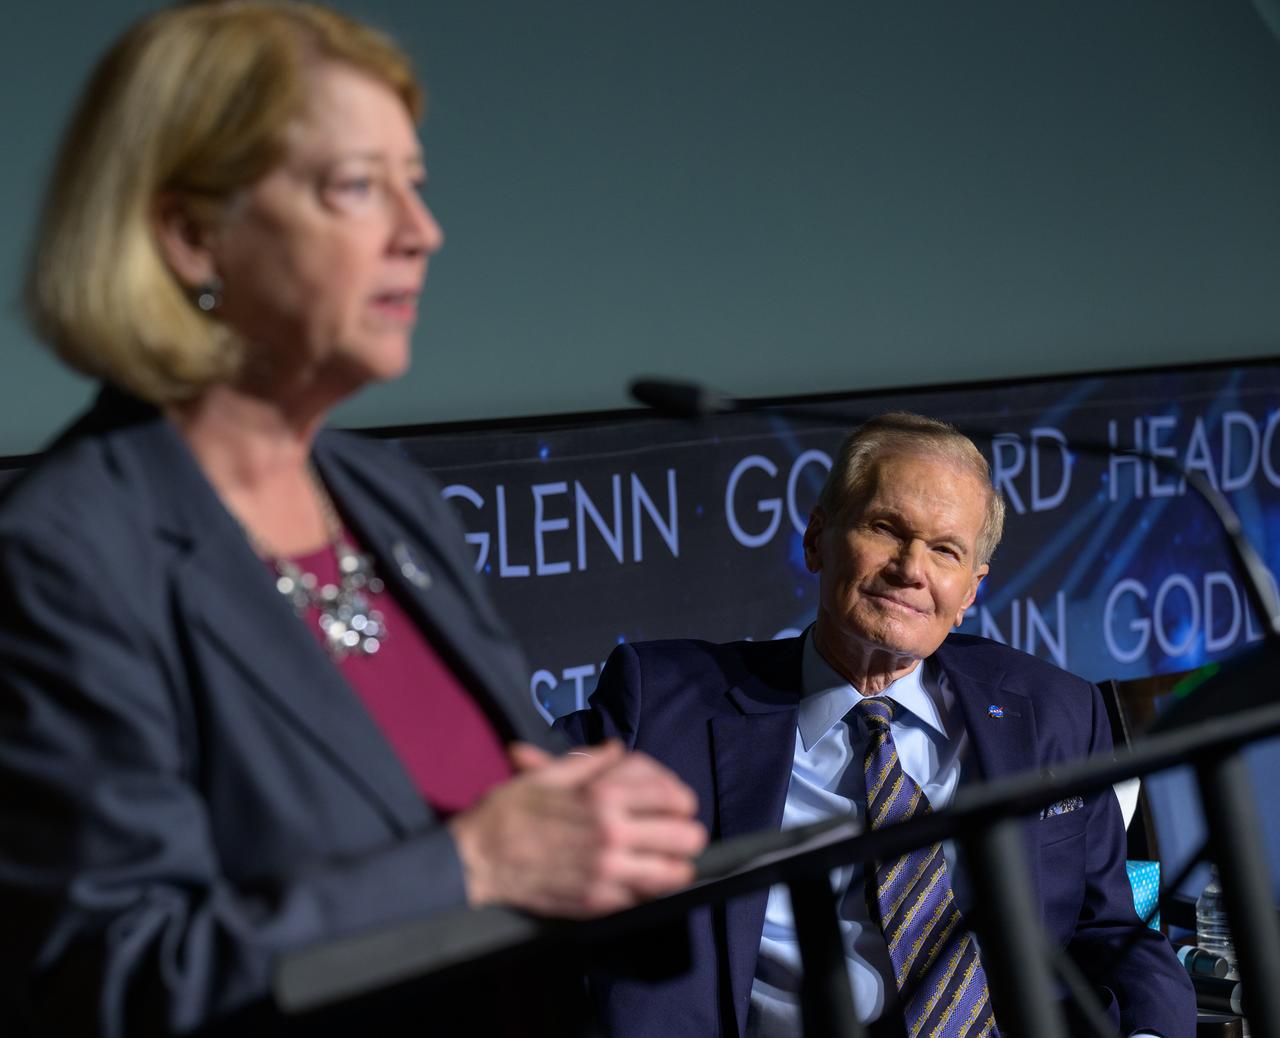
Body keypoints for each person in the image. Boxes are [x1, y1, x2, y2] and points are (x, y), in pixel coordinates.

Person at [0, 3, 706, 1035]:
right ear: (192, 236)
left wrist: (596, 825)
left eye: (414, 184)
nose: (421, 232)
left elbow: (501, 812)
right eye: (358, 188)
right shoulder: (65, 553)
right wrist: (472, 865)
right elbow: (110, 979)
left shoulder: (382, 493)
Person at [558, 412, 1195, 1038]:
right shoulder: (666, 703)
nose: (911, 569)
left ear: (970, 591)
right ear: (817, 539)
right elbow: (517, 798)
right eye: (886, 529)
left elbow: (1111, 930)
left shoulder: (1055, 710)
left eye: (945, 550)